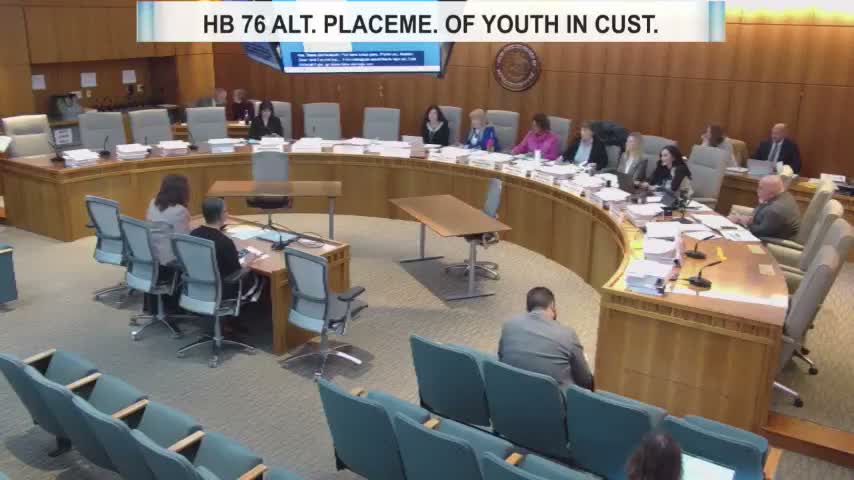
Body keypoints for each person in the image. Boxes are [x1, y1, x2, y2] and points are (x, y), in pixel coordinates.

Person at [498, 287, 593, 389]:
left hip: (510, 391)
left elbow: (501, 358)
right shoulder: (567, 335)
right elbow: (586, 380)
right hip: (551, 398)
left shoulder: (509, 326)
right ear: (552, 306)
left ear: (528, 309)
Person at [190, 198, 259, 305]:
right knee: (259, 278)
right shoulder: (224, 242)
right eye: (226, 211)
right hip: (223, 290)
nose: (227, 213)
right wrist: (248, 261)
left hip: (197, 286)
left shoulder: (193, 234)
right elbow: (237, 271)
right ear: (221, 215)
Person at [145, 174, 191, 313]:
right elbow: (184, 242)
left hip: (151, 257)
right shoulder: (180, 211)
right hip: (169, 262)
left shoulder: (153, 203)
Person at [729, 175, 800, 239]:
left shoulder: (775, 209)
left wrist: (742, 223)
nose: (757, 190)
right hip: (767, 227)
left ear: (771, 194)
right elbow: (762, 211)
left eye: (761, 188)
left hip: (773, 239)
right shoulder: (784, 194)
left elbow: (760, 232)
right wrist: (748, 218)